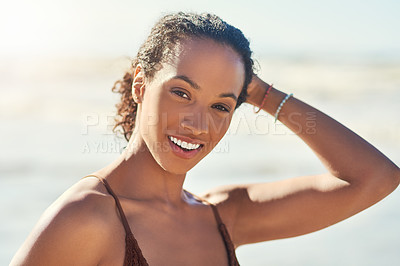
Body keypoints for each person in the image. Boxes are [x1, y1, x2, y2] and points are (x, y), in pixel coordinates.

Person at [10, 12, 399, 266]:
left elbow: (376, 178)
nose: (198, 125)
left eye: (221, 106)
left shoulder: (224, 217)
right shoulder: (86, 218)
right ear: (141, 86)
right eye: (182, 93)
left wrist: (263, 94)